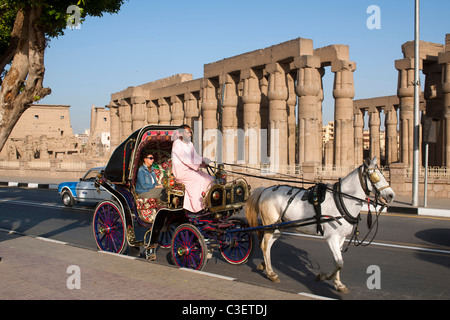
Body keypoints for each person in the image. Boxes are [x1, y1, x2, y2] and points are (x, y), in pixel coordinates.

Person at [171, 124, 214, 213]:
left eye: (190, 133)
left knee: (210, 179)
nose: (189, 135)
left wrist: (204, 161)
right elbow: (187, 159)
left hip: (192, 169)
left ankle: (207, 203)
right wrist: (200, 163)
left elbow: (195, 156)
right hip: (182, 172)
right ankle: (196, 208)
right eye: (187, 133)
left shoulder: (190, 144)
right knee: (199, 179)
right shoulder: (177, 144)